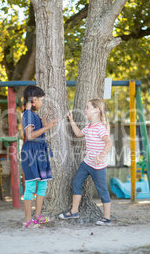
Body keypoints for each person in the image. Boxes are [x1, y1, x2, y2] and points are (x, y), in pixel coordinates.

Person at [59, 99, 113, 225]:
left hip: (98, 166)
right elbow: (78, 134)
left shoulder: (100, 128)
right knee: (76, 182)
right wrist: (71, 120)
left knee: (102, 191)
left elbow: (109, 142)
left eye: (87, 107)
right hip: (87, 163)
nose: (84, 110)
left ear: (96, 110)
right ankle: (74, 211)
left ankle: (107, 218)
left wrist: (101, 155)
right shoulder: (88, 127)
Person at [21, 85, 59, 228]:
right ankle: (28, 220)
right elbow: (30, 136)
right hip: (31, 153)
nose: (42, 103)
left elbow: (36, 131)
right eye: (41, 100)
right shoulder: (28, 114)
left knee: (42, 184)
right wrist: (47, 127)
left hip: (40, 152)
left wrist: (44, 124)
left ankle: (37, 216)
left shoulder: (33, 115)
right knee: (31, 185)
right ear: (34, 100)